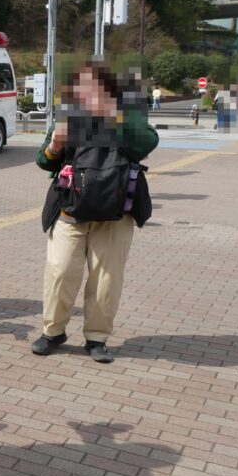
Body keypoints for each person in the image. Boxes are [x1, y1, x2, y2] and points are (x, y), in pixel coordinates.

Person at [32, 62, 158, 363]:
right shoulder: (67, 117)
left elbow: (147, 142)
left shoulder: (128, 115)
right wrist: (54, 146)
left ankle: (97, 337)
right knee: (60, 271)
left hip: (115, 211)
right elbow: (44, 161)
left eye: (94, 86)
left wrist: (112, 115)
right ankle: (53, 331)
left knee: (106, 277)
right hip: (71, 208)